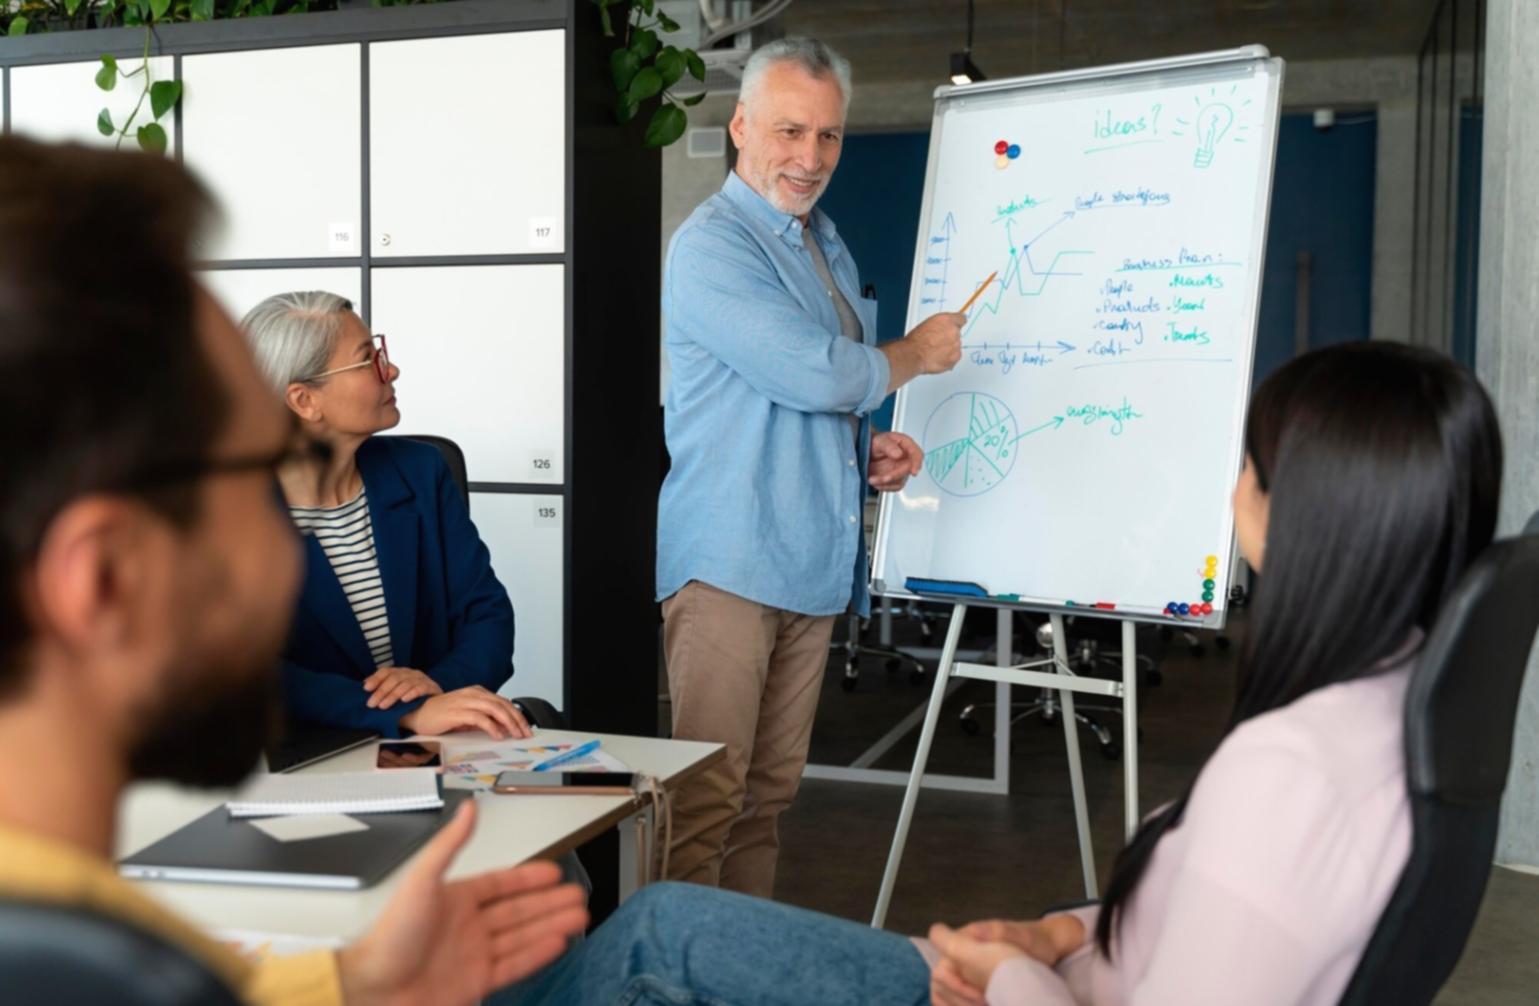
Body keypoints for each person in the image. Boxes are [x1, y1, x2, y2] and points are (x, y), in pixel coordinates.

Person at [501, 339, 1505, 1006]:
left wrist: (1010, 974)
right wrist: (1056, 931)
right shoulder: (1395, 709)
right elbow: (1203, 930)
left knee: (654, 936)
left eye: (1246, 462)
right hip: (1056, 975)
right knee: (661, 917)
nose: (1228, 483)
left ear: (1300, 510)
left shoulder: (1292, 768)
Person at [0, 136, 587, 1004]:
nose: (279, 543)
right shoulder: (119, 970)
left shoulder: (114, 954)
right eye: (237, 471)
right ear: (101, 578)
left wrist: (352, 984)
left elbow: (483, 613)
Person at [657, 36, 966, 898]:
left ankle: (739, 971)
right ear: (740, 126)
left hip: (809, 566)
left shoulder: (823, 242)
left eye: (828, 136)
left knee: (766, 799)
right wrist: (911, 355)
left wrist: (859, 449)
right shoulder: (712, 245)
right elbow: (813, 371)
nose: (809, 156)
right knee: (707, 800)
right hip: (728, 564)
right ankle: (677, 980)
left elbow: (801, 399)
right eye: (790, 131)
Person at [242, 292, 532, 741]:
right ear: (303, 400)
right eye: (366, 361)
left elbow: (486, 613)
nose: (390, 370)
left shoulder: (419, 471)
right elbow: (247, 673)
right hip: (303, 760)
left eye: (381, 354)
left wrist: (438, 686)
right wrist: (405, 712)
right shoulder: (226, 513)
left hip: (434, 746)